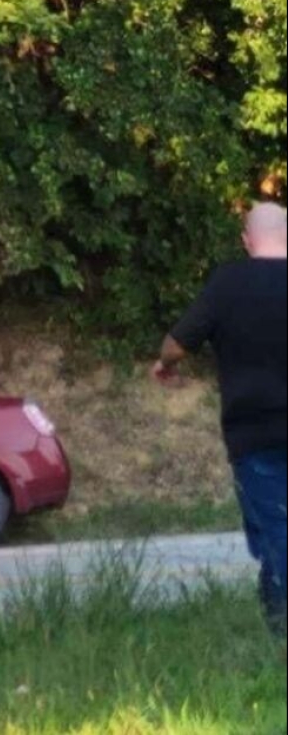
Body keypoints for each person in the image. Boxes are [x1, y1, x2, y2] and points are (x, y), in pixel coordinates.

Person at [153, 202, 287, 633]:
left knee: (277, 533)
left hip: (254, 435)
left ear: (248, 240)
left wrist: (165, 364)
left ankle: (282, 629)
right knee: (273, 536)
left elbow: (177, 342)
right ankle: (278, 628)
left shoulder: (229, 282)